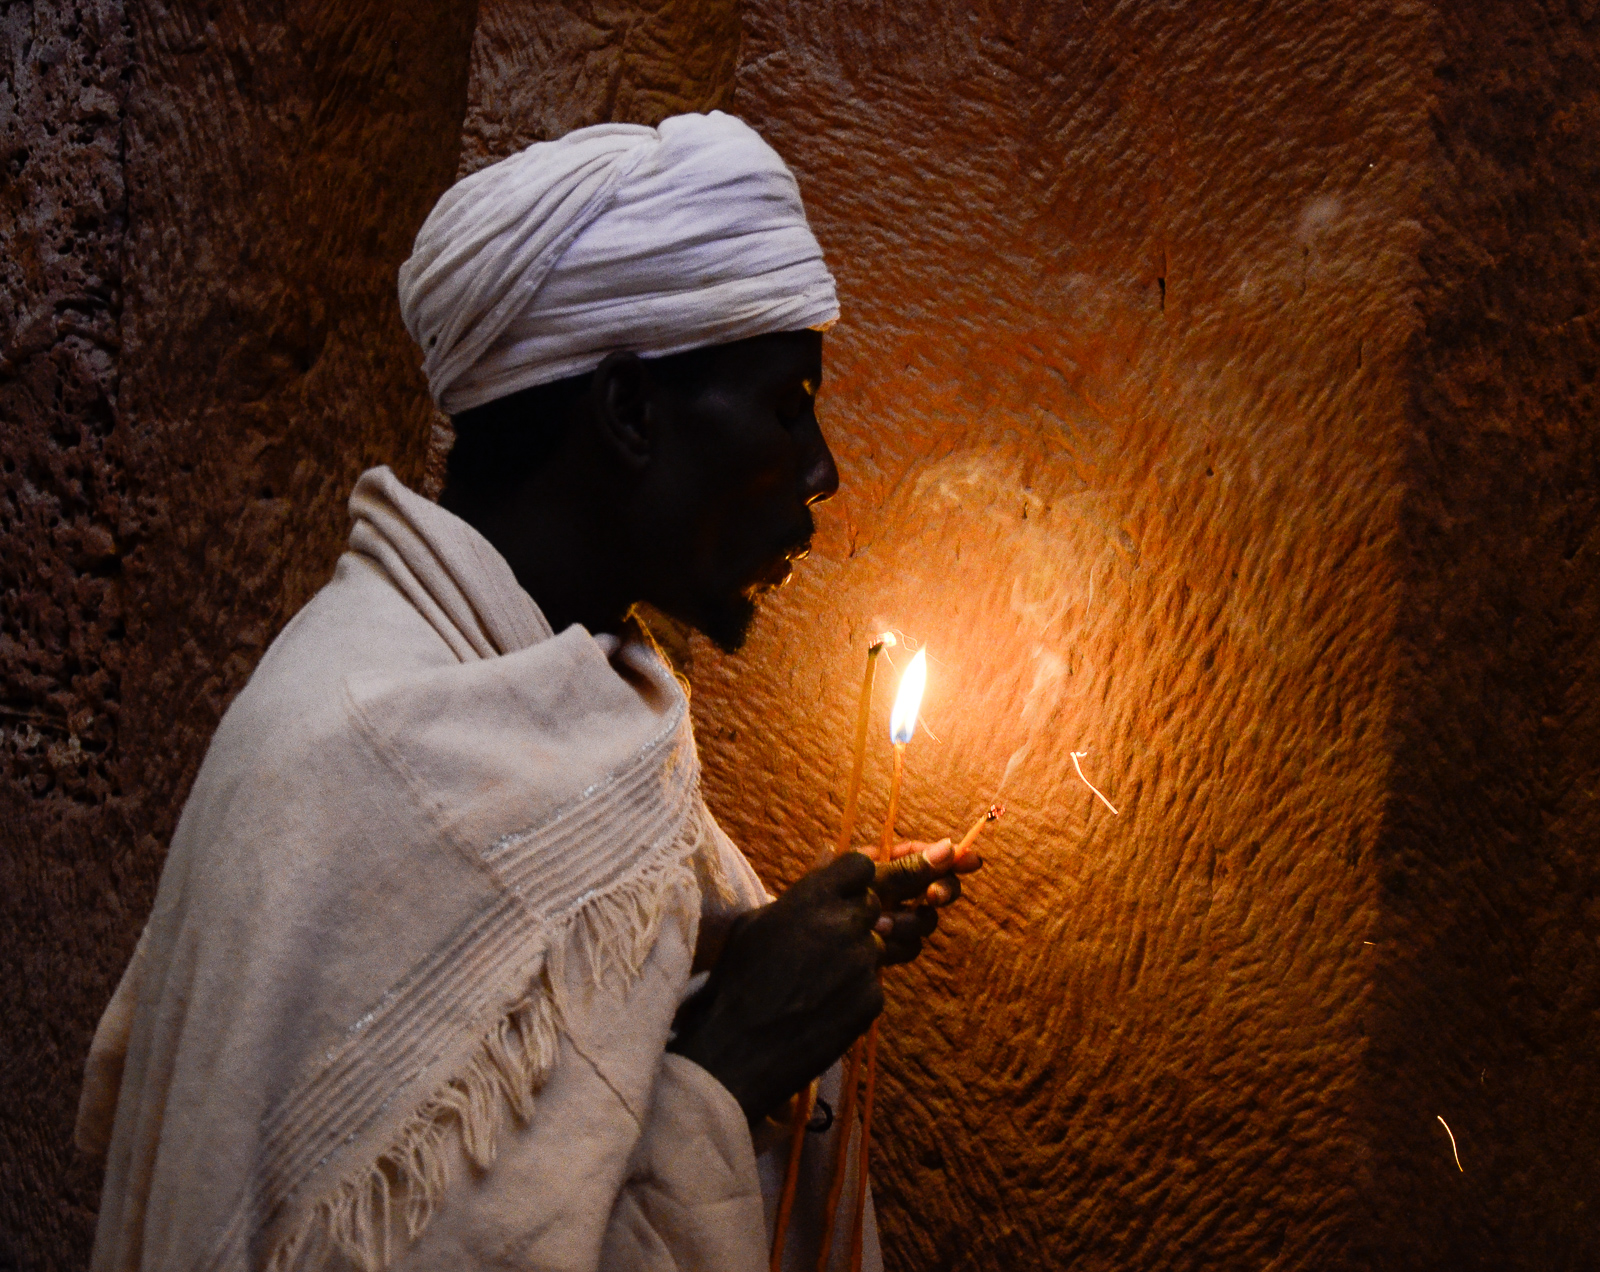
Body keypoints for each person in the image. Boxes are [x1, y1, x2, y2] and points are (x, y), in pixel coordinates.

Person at [75, 112, 977, 1272]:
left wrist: (746, 968)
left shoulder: (594, 700)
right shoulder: (345, 756)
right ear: (630, 414)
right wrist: (734, 1063)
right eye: (787, 405)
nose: (822, 473)